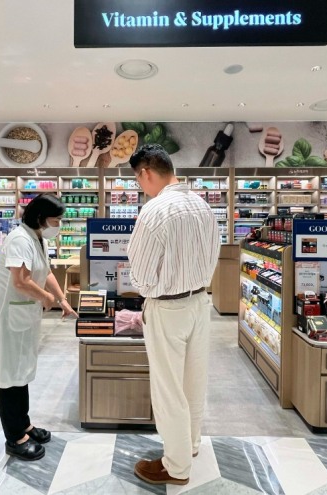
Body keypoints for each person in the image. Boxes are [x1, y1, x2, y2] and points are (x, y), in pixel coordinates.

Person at [127, 144, 220, 486]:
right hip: (199, 302)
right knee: (194, 382)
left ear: (146, 173)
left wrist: (148, 289)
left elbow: (140, 276)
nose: (140, 186)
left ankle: (176, 467)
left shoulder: (154, 211)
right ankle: (190, 445)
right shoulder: (202, 205)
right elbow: (214, 252)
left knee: (168, 389)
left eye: (138, 180)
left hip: (167, 307)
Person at [0, 194, 78, 461]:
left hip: (23, 316)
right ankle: (14, 437)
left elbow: (45, 272)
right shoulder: (19, 240)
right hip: (10, 318)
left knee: (21, 374)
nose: (58, 225)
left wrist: (61, 299)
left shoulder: (37, 238)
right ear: (41, 217)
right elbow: (21, 281)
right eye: (56, 220)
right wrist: (45, 297)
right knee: (9, 378)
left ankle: (24, 425)